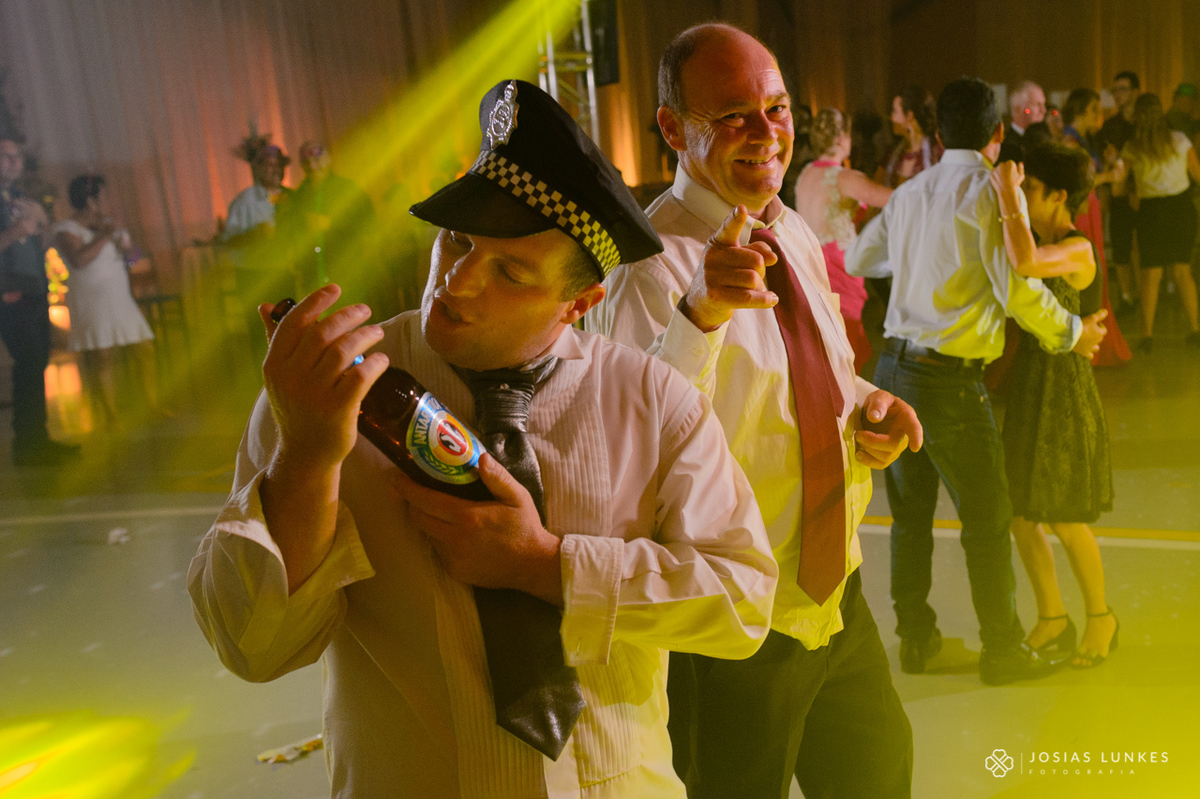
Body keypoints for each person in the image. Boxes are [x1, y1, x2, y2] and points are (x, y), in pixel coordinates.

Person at [189, 79, 778, 799]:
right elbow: (251, 643)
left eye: (509, 270)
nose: (456, 282)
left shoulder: (651, 400)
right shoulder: (334, 394)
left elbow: (744, 600)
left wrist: (549, 565)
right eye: (457, 240)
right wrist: (308, 456)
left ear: (581, 302)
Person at [589, 23, 920, 799]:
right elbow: (633, 453)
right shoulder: (646, 266)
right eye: (734, 114)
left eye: (776, 108)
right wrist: (700, 313)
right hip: (732, 623)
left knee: (879, 772)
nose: (766, 132)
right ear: (672, 128)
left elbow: (826, 372)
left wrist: (871, 408)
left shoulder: (789, 229)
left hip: (833, 592)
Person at [846, 77, 1108, 686]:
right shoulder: (989, 196)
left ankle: (917, 641)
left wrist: (916, 255)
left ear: (937, 134)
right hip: (948, 382)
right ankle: (1002, 649)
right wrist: (1072, 333)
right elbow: (1018, 292)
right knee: (988, 519)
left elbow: (861, 260)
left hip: (893, 370)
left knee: (909, 518)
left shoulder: (911, 192)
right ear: (997, 134)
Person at [990, 145, 1118, 668]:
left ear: (1060, 196)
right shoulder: (1034, 236)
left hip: (1064, 393)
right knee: (1021, 518)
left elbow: (1026, 262)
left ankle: (1101, 617)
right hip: (1029, 386)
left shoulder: (1077, 249)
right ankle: (1052, 617)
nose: (1023, 195)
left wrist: (1004, 194)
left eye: (1031, 188)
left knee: (1066, 520)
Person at [51, 175, 163, 426]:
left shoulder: (109, 226)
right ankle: (111, 416)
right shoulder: (65, 229)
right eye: (104, 196)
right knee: (103, 356)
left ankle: (153, 405)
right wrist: (104, 235)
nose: (109, 201)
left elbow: (133, 259)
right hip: (92, 300)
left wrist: (128, 250)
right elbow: (79, 261)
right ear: (89, 200)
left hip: (119, 298)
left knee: (144, 348)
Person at [793, 108, 893, 372]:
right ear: (840, 139)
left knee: (824, 344)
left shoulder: (805, 175)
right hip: (839, 270)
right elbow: (894, 199)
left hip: (811, 265)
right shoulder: (845, 178)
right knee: (845, 346)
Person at [0, 136, 80, 466]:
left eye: (16, 157)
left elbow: (42, 242)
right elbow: (14, 238)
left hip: (35, 289)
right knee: (28, 365)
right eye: (6, 157)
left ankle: (38, 439)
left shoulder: (18, 198)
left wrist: (42, 224)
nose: (14, 162)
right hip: (10, 293)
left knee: (37, 364)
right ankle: (28, 446)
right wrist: (16, 232)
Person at [1121, 93, 1200, 350]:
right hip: (1180, 208)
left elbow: (1122, 184)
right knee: (1182, 271)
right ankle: (1195, 329)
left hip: (1151, 211)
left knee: (1150, 275)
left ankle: (1147, 335)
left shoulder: (1132, 147)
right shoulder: (1179, 140)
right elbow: (1197, 173)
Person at [1061, 88, 1133, 367]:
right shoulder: (1070, 142)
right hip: (1079, 211)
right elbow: (1074, 182)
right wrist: (1108, 175)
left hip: (1088, 209)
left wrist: (1111, 167)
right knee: (1086, 273)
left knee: (1094, 271)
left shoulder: (1082, 141)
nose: (1098, 114)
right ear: (1079, 111)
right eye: (1093, 109)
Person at [276, 140, 378, 305]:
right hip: (311, 273)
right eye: (307, 162)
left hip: (346, 268)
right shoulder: (298, 196)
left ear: (328, 159)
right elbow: (291, 231)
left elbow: (369, 225)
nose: (313, 166)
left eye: (317, 160)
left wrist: (331, 225)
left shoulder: (348, 189)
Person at [221, 135, 293, 366]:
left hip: (284, 271)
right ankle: (263, 385)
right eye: (267, 165)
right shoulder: (245, 201)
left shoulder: (292, 197)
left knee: (289, 329)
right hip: (253, 274)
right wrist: (253, 235)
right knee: (259, 333)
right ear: (257, 169)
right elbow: (226, 242)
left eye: (277, 165)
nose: (273, 170)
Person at [1100, 71, 1141, 316]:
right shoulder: (1110, 126)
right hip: (1118, 194)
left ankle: (1146, 294)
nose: (1117, 95)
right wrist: (1105, 191)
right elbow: (1105, 161)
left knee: (1143, 247)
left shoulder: (1145, 123)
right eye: (1115, 90)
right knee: (1121, 245)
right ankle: (1127, 297)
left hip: (1145, 193)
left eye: (1122, 89)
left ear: (1136, 92)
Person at [886, 85, 942, 188]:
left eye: (895, 111)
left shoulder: (936, 153)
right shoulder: (895, 153)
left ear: (909, 116)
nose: (891, 117)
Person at [998, 80, 1047, 164]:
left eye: (1043, 104)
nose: (1043, 110)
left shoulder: (1046, 140)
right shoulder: (1006, 146)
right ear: (1017, 109)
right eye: (1037, 105)